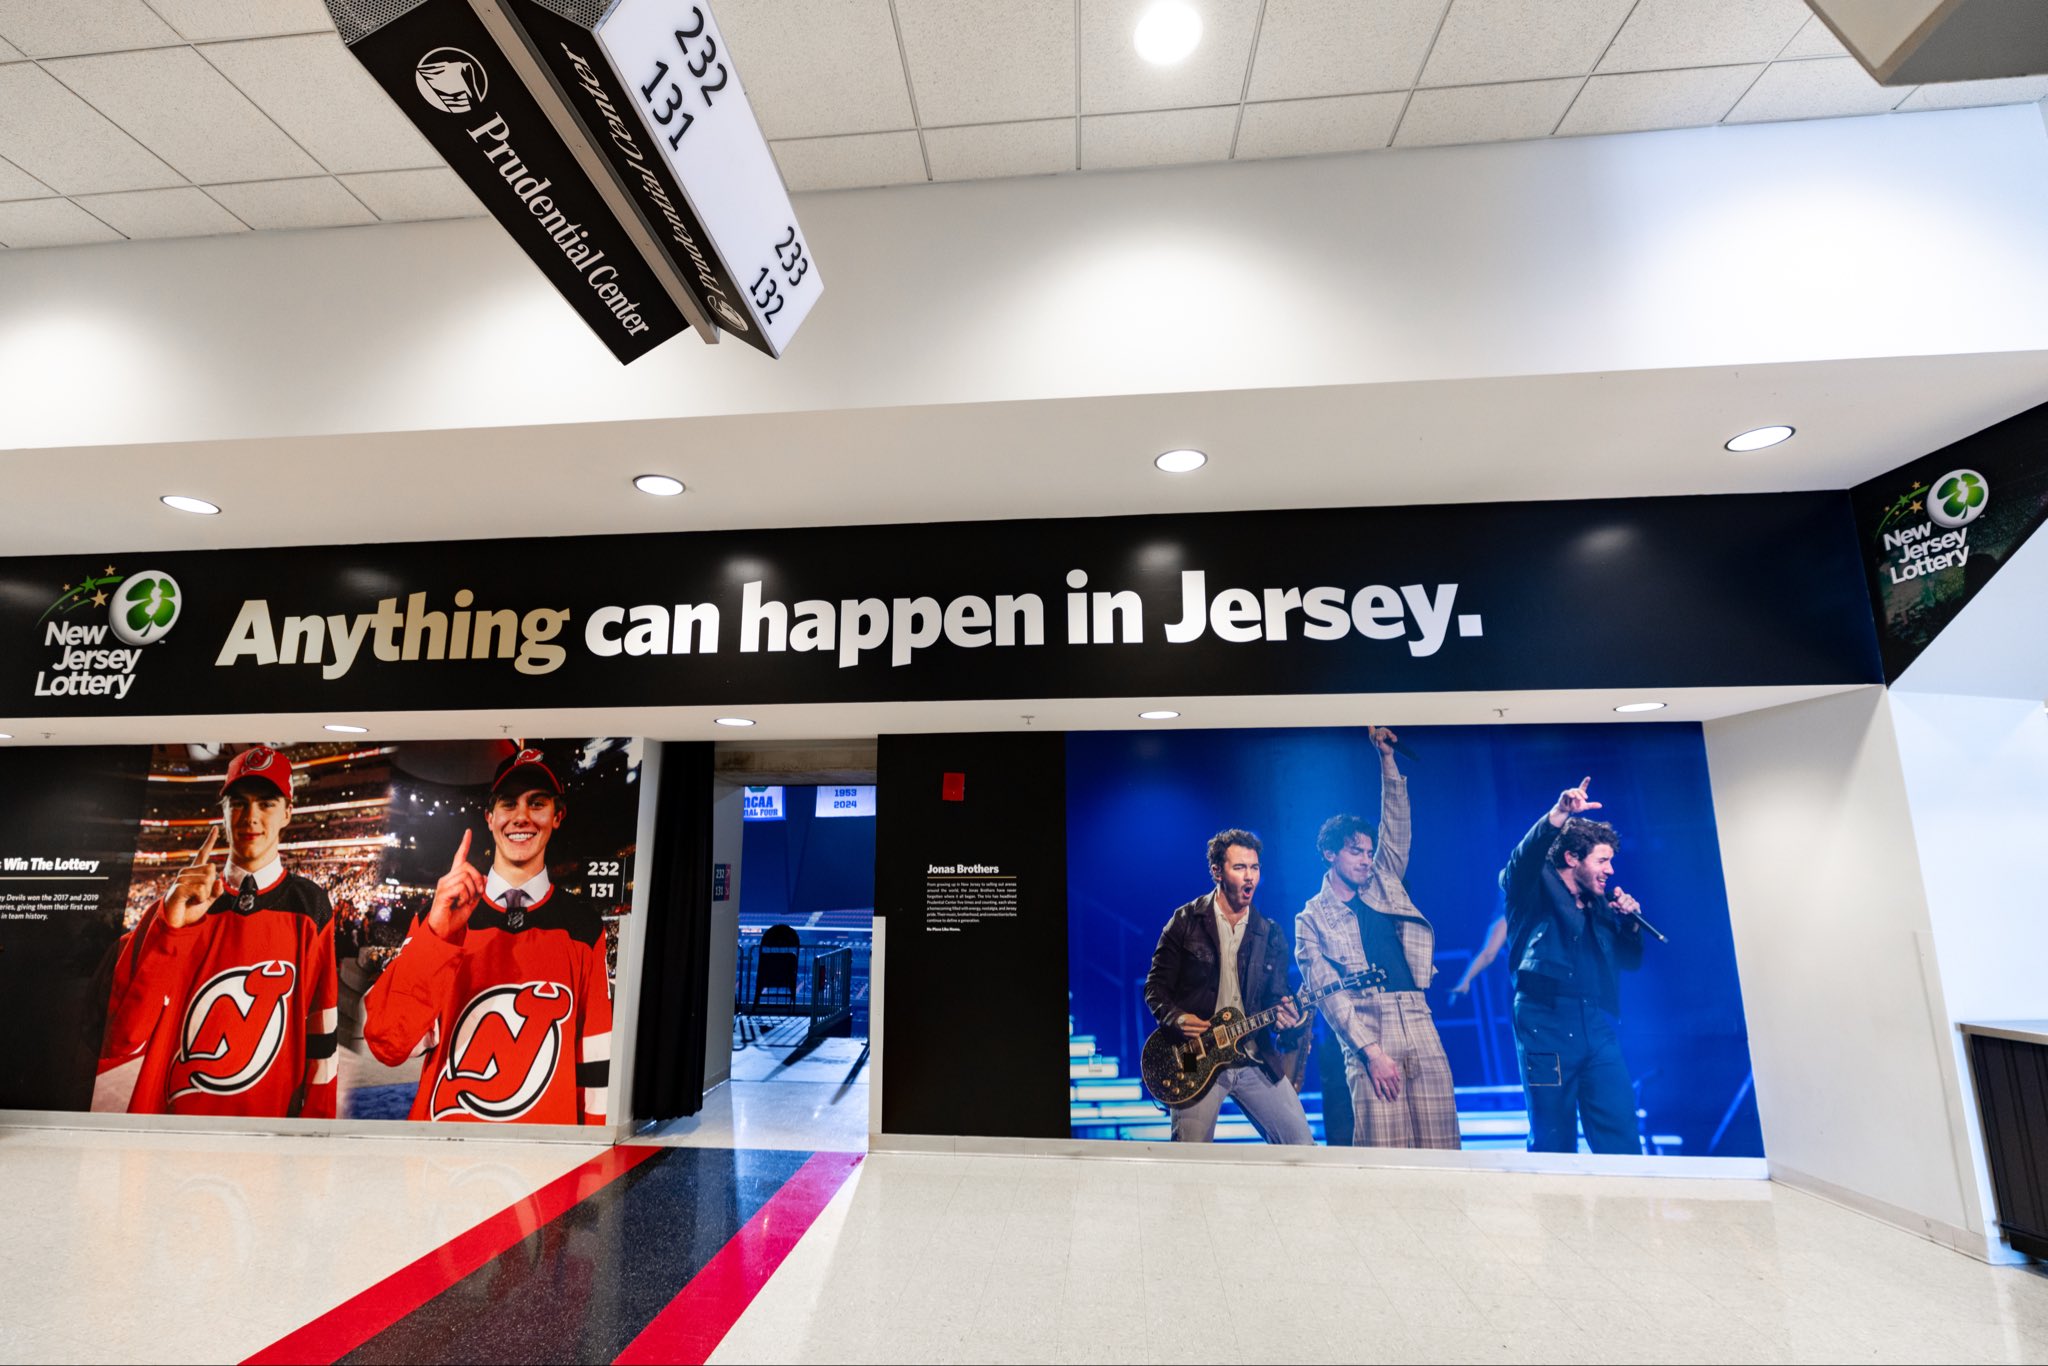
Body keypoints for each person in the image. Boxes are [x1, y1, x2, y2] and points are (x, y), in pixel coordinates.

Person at [365, 747, 611, 1125]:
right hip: (444, 1148)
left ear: (557, 815)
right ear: (490, 817)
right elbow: (389, 1044)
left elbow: (595, 1072)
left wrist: (591, 1154)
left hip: (542, 1152)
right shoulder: (439, 917)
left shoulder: (584, 928)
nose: (521, 816)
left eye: (537, 803)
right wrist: (436, 937)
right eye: (508, 803)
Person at [100, 746, 338, 1117]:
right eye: (238, 803)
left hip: (268, 1130)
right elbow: (121, 1039)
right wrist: (169, 930)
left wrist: (317, 1128)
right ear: (223, 812)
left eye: (266, 803)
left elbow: (322, 1034)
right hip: (172, 1126)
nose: (251, 817)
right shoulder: (173, 908)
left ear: (288, 813)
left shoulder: (312, 906)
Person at [1295, 726, 1459, 1149]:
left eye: (1369, 852)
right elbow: (1329, 995)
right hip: (1367, 1025)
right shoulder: (1311, 919)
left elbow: (1396, 825)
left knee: (1442, 1144)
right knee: (1386, 1152)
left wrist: (1387, 760)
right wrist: (1371, 1052)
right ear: (1330, 853)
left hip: (1417, 1014)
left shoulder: (1384, 880)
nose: (1366, 860)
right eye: (1356, 851)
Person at [1499, 776, 1647, 1154]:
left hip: (1594, 1024)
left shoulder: (1600, 905)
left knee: (1620, 1128)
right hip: (1543, 1024)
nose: (1610, 870)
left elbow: (1629, 963)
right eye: (1602, 861)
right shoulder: (1531, 887)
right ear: (1572, 858)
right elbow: (1523, 859)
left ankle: (1626, 1192)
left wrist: (1630, 925)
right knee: (1552, 1134)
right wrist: (1559, 813)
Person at [1142, 828, 1312, 1144]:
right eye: (1240, 867)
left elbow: (1276, 997)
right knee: (1191, 1155)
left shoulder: (1270, 933)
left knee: (1301, 1145)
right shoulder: (1186, 920)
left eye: (1254, 868)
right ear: (1217, 872)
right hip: (1194, 1056)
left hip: (1252, 1056)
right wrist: (1177, 1018)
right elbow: (1155, 987)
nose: (1249, 877)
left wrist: (1288, 1017)